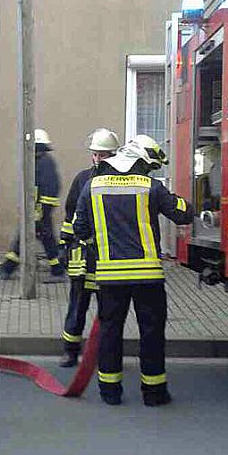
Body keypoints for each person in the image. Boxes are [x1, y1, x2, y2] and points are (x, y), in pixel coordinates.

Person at [73, 135, 193, 406]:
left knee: (110, 332)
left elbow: (79, 228)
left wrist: (100, 247)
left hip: (110, 276)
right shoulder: (150, 186)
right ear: (142, 160)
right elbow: (182, 213)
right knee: (151, 333)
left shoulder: (92, 185)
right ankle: (154, 393)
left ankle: (110, 392)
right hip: (148, 277)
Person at [58, 128, 121, 367]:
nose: (97, 159)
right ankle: (70, 351)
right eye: (95, 154)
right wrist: (64, 244)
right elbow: (70, 213)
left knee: (109, 312)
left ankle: (106, 353)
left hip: (107, 256)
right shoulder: (82, 179)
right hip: (82, 256)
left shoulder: (118, 181)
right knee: (77, 306)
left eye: (103, 155)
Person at [0, 128, 64, 282]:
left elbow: (49, 189)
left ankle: (8, 268)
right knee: (45, 240)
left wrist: (40, 212)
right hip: (37, 210)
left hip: (40, 210)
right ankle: (57, 270)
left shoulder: (44, 163)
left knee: (26, 239)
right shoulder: (39, 161)